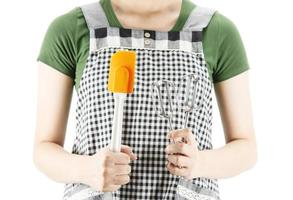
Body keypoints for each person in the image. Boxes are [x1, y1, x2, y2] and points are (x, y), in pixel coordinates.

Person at [33, 0, 257, 199]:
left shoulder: (215, 30)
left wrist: (201, 163)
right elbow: (44, 149)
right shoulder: (71, 28)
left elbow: (246, 148)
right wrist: (87, 169)